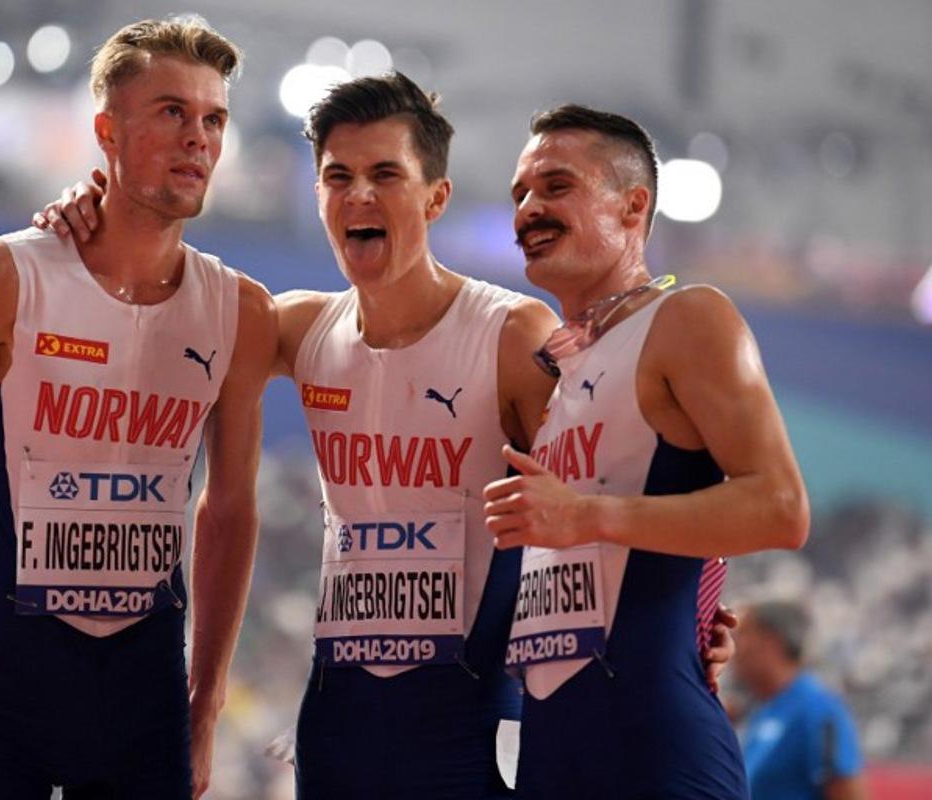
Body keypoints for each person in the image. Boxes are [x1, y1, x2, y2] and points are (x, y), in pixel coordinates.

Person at [36, 76, 737, 799]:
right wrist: (89, 213)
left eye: (384, 175)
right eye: (338, 177)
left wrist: (697, 616)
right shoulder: (298, 329)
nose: (359, 196)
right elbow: (159, 302)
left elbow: (636, 474)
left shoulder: (511, 335)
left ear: (435, 198)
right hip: (338, 728)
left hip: (470, 736)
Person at [0, 17, 276, 798]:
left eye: (214, 119)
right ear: (107, 131)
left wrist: (206, 707)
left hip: (146, 711)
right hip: (3, 696)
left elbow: (231, 509)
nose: (199, 139)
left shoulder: (240, 310)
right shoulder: (6, 279)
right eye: (172, 112)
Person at [483, 104, 811, 798]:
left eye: (555, 186)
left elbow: (781, 508)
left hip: (656, 753)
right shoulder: (557, 370)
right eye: (519, 195)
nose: (528, 210)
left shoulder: (688, 318)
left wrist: (589, 518)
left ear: (633, 207)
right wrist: (697, 600)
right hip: (550, 753)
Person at [735, 601, 867, 800]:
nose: (733, 645)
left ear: (772, 641)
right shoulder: (763, 708)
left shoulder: (820, 711)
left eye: (742, 634)